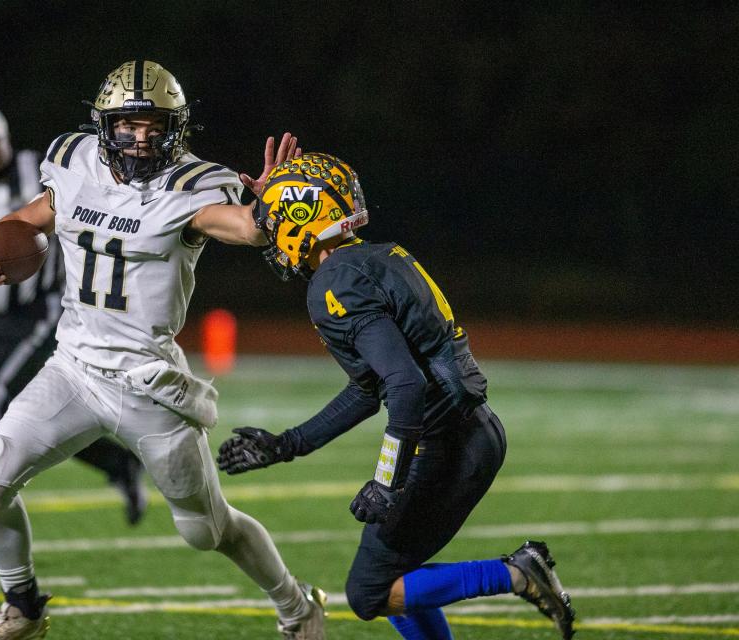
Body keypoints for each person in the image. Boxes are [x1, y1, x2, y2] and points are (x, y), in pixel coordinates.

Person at [0, 62, 326, 640]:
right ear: (104, 124)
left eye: (155, 124)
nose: (142, 137)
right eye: (128, 124)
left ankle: (298, 605)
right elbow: (28, 219)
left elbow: (246, 227)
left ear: (177, 127)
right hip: (73, 369)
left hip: (149, 385)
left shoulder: (193, 185)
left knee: (206, 530)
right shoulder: (73, 161)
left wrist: (273, 201)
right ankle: (23, 607)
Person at [216, 152, 577, 640]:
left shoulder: (334, 281)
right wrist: (287, 444)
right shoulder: (375, 258)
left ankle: (517, 572)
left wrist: (387, 479)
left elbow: (404, 386)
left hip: (446, 445)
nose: (270, 231)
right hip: (473, 433)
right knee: (391, 582)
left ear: (304, 218)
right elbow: (370, 389)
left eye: (276, 218)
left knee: (368, 593)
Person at [0, 102, 147, 561]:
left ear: (6, 141)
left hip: (46, 308)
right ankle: (119, 462)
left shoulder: (40, 170)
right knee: (31, 411)